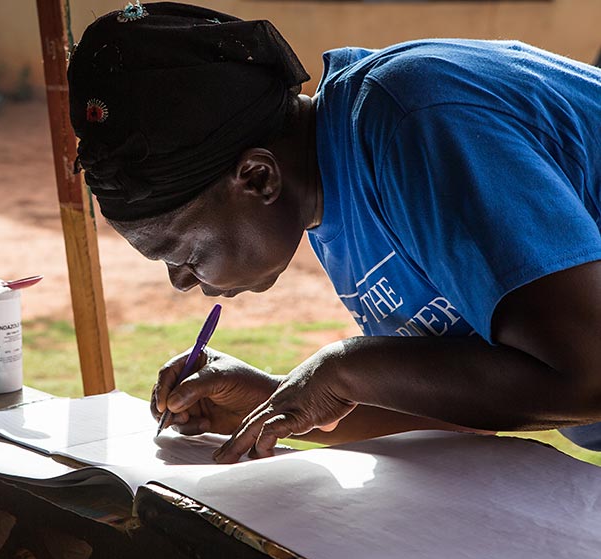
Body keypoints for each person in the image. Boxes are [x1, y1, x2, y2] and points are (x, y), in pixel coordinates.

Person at [67, 2, 601, 462]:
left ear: (257, 177)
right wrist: (279, 399)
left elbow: (587, 379)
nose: (181, 281)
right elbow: (474, 405)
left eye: (181, 251)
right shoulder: (333, 190)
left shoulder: (413, 124)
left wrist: (346, 367)